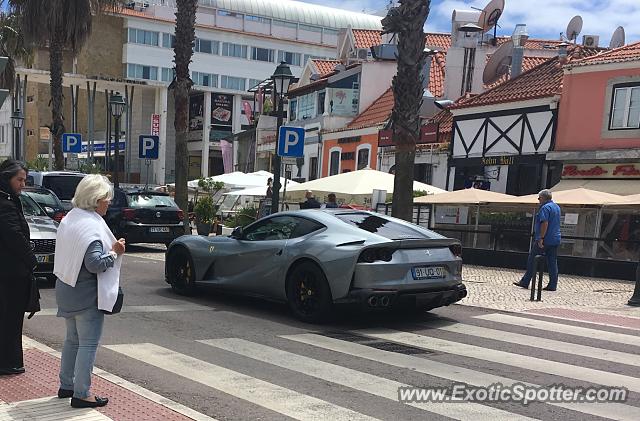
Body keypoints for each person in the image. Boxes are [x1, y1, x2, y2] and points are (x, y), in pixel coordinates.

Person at [54, 174, 125, 408]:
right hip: (86, 295)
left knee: (72, 340)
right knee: (87, 344)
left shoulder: (71, 218)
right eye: (106, 198)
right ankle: (82, 393)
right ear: (95, 199)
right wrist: (115, 252)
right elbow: (95, 263)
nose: (109, 203)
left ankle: (66, 385)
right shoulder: (91, 226)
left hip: (67, 289)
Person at [0, 160, 36, 376]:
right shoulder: (5, 203)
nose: (23, 184)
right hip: (10, 273)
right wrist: (32, 259)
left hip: (10, 271)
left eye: (25, 180)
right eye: (19, 180)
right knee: (10, 318)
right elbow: (14, 236)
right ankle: (8, 361)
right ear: (7, 179)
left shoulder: (10, 200)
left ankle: (10, 360)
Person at [514, 189, 562, 291]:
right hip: (555, 238)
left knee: (533, 259)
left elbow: (545, 223)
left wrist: (541, 238)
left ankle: (525, 282)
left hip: (545, 239)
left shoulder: (545, 208)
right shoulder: (556, 207)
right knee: (552, 262)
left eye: (539, 198)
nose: (538, 200)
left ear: (543, 198)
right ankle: (553, 284)